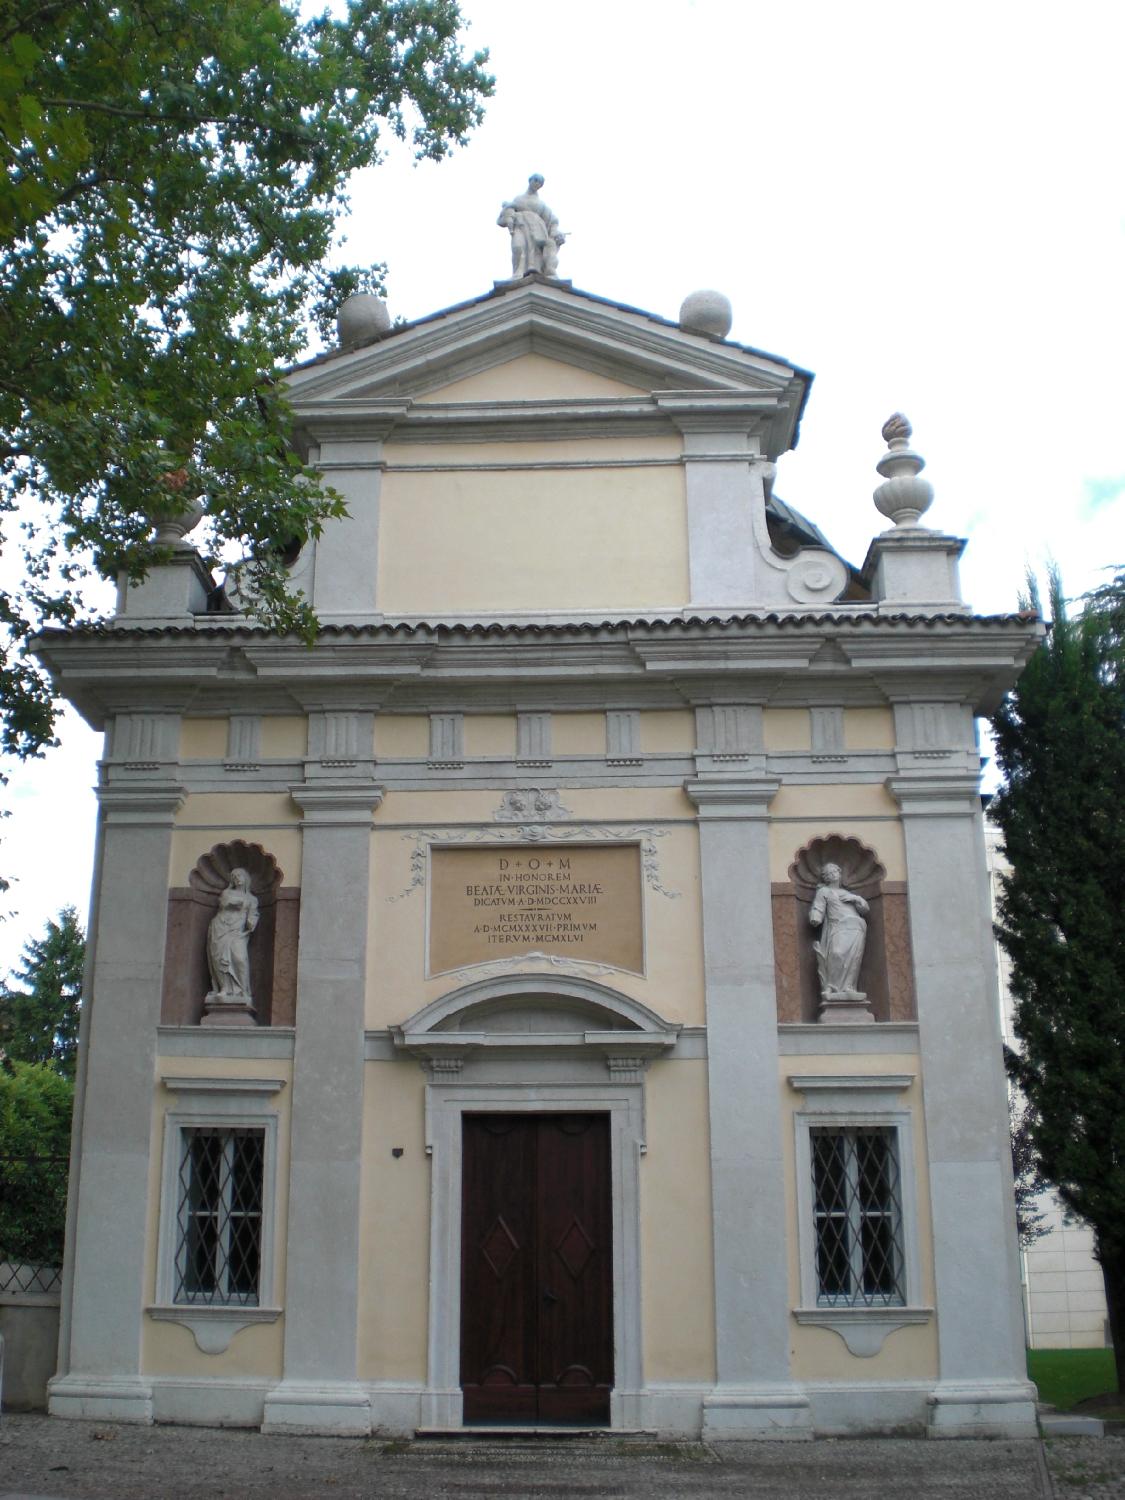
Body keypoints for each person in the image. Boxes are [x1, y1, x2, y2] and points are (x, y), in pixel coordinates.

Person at [808, 863, 869, 999]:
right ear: (826, 878)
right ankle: (831, 986)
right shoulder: (824, 891)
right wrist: (815, 917)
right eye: (828, 873)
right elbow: (818, 907)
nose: (832, 875)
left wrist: (856, 898)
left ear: (839, 873)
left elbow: (864, 909)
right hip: (838, 927)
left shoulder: (848, 894)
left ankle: (849, 986)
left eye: (834, 871)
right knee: (836, 953)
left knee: (854, 958)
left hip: (856, 927)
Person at [497, 174, 566, 278]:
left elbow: (552, 220)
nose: (537, 184)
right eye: (536, 180)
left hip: (537, 230)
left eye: (540, 183)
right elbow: (506, 214)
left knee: (535, 252)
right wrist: (508, 215)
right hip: (520, 226)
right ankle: (518, 273)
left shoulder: (541, 204)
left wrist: (555, 231)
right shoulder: (518, 199)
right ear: (530, 180)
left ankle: (535, 270)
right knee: (518, 247)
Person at [206, 868, 259, 1002]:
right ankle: (224, 988)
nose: (237, 878)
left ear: (246, 878)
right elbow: (223, 903)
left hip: (237, 931)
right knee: (218, 957)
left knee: (240, 959)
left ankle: (243, 991)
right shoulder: (227, 892)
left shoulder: (252, 899)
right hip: (220, 927)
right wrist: (233, 903)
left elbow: (253, 913)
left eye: (240, 875)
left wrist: (252, 921)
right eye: (234, 876)